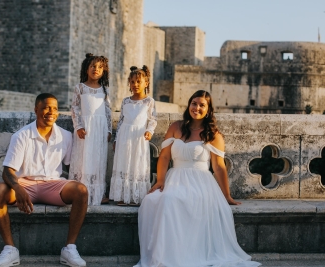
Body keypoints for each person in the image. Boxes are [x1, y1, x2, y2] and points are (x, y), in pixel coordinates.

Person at [134, 90, 261, 267]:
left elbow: (219, 167)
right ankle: (165, 255)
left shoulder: (213, 134)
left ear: (208, 110)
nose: (197, 108)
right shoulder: (176, 127)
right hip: (175, 178)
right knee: (152, 201)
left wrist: (226, 196)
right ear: (189, 105)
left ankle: (184, 256)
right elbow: (164, 157)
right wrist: (160, 180)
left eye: (202, 105)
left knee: (173, 201)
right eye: (194, 103)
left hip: (201, 182)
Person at [0, 93, 88, 267]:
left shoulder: (65, 136)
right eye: (46, 108)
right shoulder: (22, 136)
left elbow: (73, 165)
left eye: (55, 108)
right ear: (36, 110)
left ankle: (69, 249)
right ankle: (10, 249)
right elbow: (7, 171)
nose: (51, 112)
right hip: (24, 184)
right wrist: (18, 189)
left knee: (81, 191)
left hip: (53, 185)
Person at [109, 65, 157, 206]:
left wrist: (149, 131)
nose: (135, 85)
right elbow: (121, 120)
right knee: (124, 163)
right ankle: (124, 196)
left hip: (139, 137)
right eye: (132, 82)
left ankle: (137, 197)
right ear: (129, 83)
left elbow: (153, 119)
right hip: (125, 136)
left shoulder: (149, 101)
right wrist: (117, 139)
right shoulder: (126, 101)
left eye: (139, 82)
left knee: (137, 164)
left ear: (146, 83)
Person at [69, 53, 112, 205]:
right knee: (84, 159)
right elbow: (74, 107)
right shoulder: (80, 87)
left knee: (98, 160)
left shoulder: (104, 90)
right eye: (93, 66)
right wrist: (78, 126)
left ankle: (97, 194)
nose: (96, 69)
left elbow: (107, 111)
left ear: (104, 71)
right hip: (86, 130)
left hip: (100, 129)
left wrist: (109, 130)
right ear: (86, 68)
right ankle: (81, 192)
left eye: (100, 67)